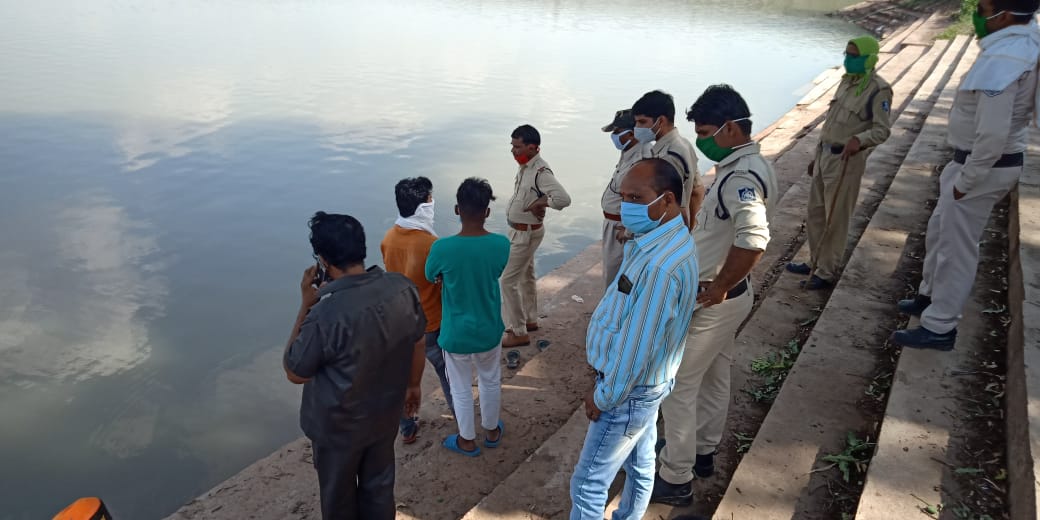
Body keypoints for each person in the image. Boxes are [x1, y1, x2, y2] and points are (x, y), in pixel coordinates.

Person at [652, 85, 778, 506]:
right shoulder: (749, 166)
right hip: (728, 297)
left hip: (716, 300)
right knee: (714, 376)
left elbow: (754, 237)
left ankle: (676, 475)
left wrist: (720, 285)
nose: (702, 140)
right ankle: (703, 451)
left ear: (730, 129)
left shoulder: (740, 178)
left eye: (706, 131)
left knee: (678, 384)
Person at [892, 0, 1040, 350]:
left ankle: (940, 326)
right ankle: (929, 296)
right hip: (978, 162)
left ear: (1003, 15)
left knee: (957, 249)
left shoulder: (1005, 58)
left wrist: (967, 180)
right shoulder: (1018, 44)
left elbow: (992, 133)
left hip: (983, 166)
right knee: (940, 232)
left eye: (984, 6)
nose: (978, 12)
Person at [569, 158, 699, 520]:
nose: (627, 205)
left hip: (627, 391)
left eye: (637, 197)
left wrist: (604, 395)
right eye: (623, 196)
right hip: (647, 386)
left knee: (588, 483)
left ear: (667, 200)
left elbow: (637, 344)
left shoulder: (660, 266)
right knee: (640, 463)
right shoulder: (659, 243)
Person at [283, 212, 426, 520]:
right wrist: (414, 385)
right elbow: (417, 341)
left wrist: (306, 304)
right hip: (385, 414)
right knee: (379, 487)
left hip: (338, 428)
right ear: (362, 247)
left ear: (322, 260)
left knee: (339, 499)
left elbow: (295, 371)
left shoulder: (325, 313)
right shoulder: (402, 288)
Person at [787, 36, 893, 290]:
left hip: (846, 161)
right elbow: (831, 125)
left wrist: (860, 139)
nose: (848, 59)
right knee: (816, 214)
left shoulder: (879, 90)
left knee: (836, 217)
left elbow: (882, 130)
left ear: (868, 58)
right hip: (825, 155)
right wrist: (817, 156)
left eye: (854, 55)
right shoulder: (846, 84)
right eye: (846, 54)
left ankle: (826, 271)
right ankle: (815, 261)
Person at [426, 178, 512, 456]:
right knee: (490, 380)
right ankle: (491, 431)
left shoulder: (442, 248)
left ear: (456, 210)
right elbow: (496, 271)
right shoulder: (500, 244)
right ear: (487, 212)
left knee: (460, 388)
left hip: (455, 333)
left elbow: (430, 275)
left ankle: (466, 439)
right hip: (488, 328)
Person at [381, 176, 455, 443]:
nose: (432, 203)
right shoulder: (432, 244)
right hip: (432, 322)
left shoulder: (389, 238)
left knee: (403, 379)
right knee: (449, 375)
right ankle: (462, 420)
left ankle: (407, 427)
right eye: (430, 199)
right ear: (424, 206)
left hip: (401, 322)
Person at [502, 124, 572, 347]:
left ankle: (518, 330)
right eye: (512, 146)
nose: (513, 151)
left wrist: (543, 202)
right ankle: (530, 320)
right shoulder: (526, 167)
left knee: (507, 281)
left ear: (533, 147)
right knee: (526, 276)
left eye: (518, 147)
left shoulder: (541, 172)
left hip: (525, 234)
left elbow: (563, 199)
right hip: (521, 231)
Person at [632, 90, 704, 229]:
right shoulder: (684, 144)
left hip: (664, 232)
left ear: (661, 121)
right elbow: (697, 191)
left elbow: (671, 206)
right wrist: (690, 229)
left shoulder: (668, 156)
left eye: (642, 122)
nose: (637, 128)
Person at [600, 108, 649, 288]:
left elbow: (641, 198)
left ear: (631, 133)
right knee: (610, 273)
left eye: (617, 131)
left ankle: (615, 315)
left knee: (616, 277)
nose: (614, 135)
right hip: (613, 224)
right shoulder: (628, 153)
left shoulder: (641, 158)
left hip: (621, 226)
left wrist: (628, 228)